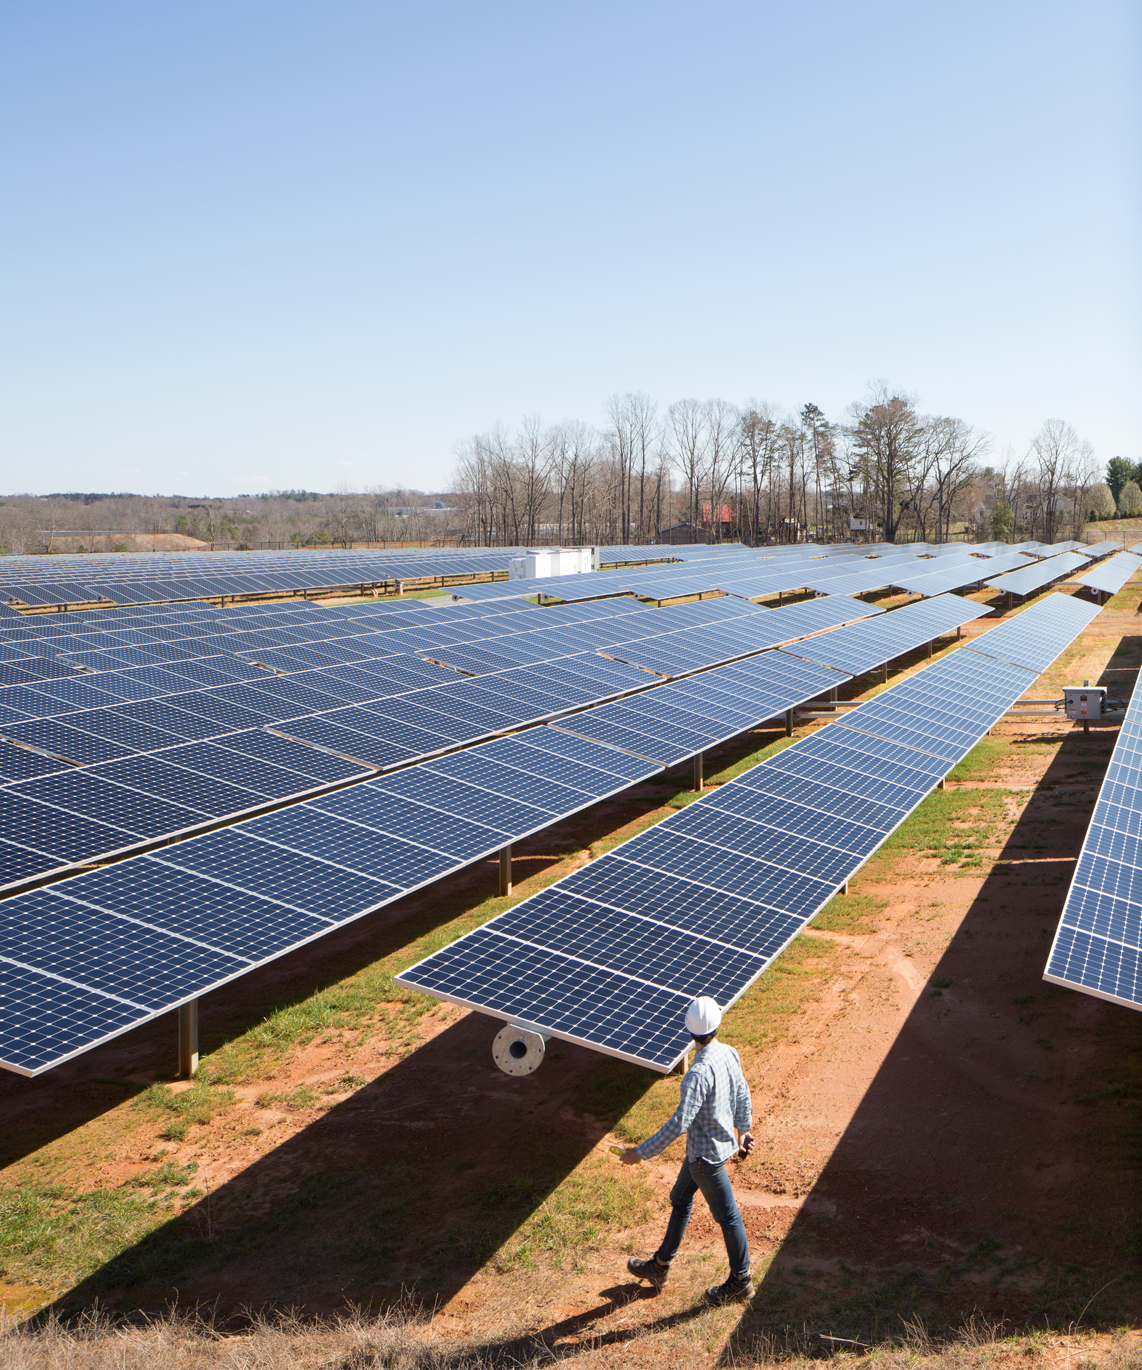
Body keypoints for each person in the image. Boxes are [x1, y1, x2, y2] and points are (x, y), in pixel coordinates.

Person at [621, 995, 755, 1305]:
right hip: (712, 1150)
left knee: (729, 1217)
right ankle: (660, 1265)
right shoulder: (728, 1053)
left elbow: (679, 1123)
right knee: (679, 1199)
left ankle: (741, 1281)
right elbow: (742, 1092)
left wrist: (639, 1153)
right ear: (717, 1025)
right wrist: (744, 1129)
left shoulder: (697, 1074)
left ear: (689, 1031)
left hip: (704, 1160)